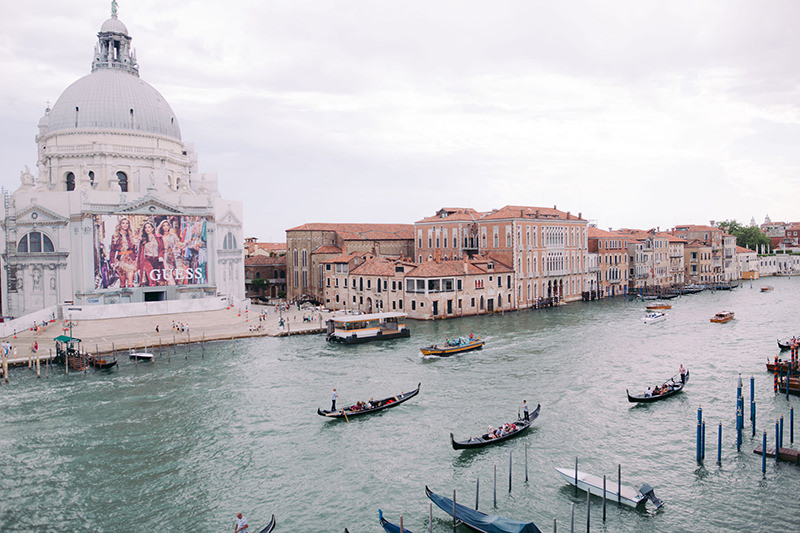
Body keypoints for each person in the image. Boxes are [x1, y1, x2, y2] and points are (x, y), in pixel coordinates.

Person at [109, 217, 137, 288]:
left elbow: (134, 249)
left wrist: (136, 258)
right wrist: (112, 261)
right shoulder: (115, 236)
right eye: (123, 223)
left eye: (127, 223)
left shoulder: (131, 235)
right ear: (120, 224)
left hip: (130, 259)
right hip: (120, 260)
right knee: (122, 282)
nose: (125, 225)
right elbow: (112, 250)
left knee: (130, 281)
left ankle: (132, 297)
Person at [137, 220, 165, 287]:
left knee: (159, 279)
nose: (147, 229)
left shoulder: (159, 238)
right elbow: (139, 253)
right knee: (152, 278)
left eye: (149, 227)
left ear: (152, 228)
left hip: (157, 260)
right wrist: (138, 266)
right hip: (147, 260)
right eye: (146, 228)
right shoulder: (142, 240)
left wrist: (161, 256)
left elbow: (162, 249)